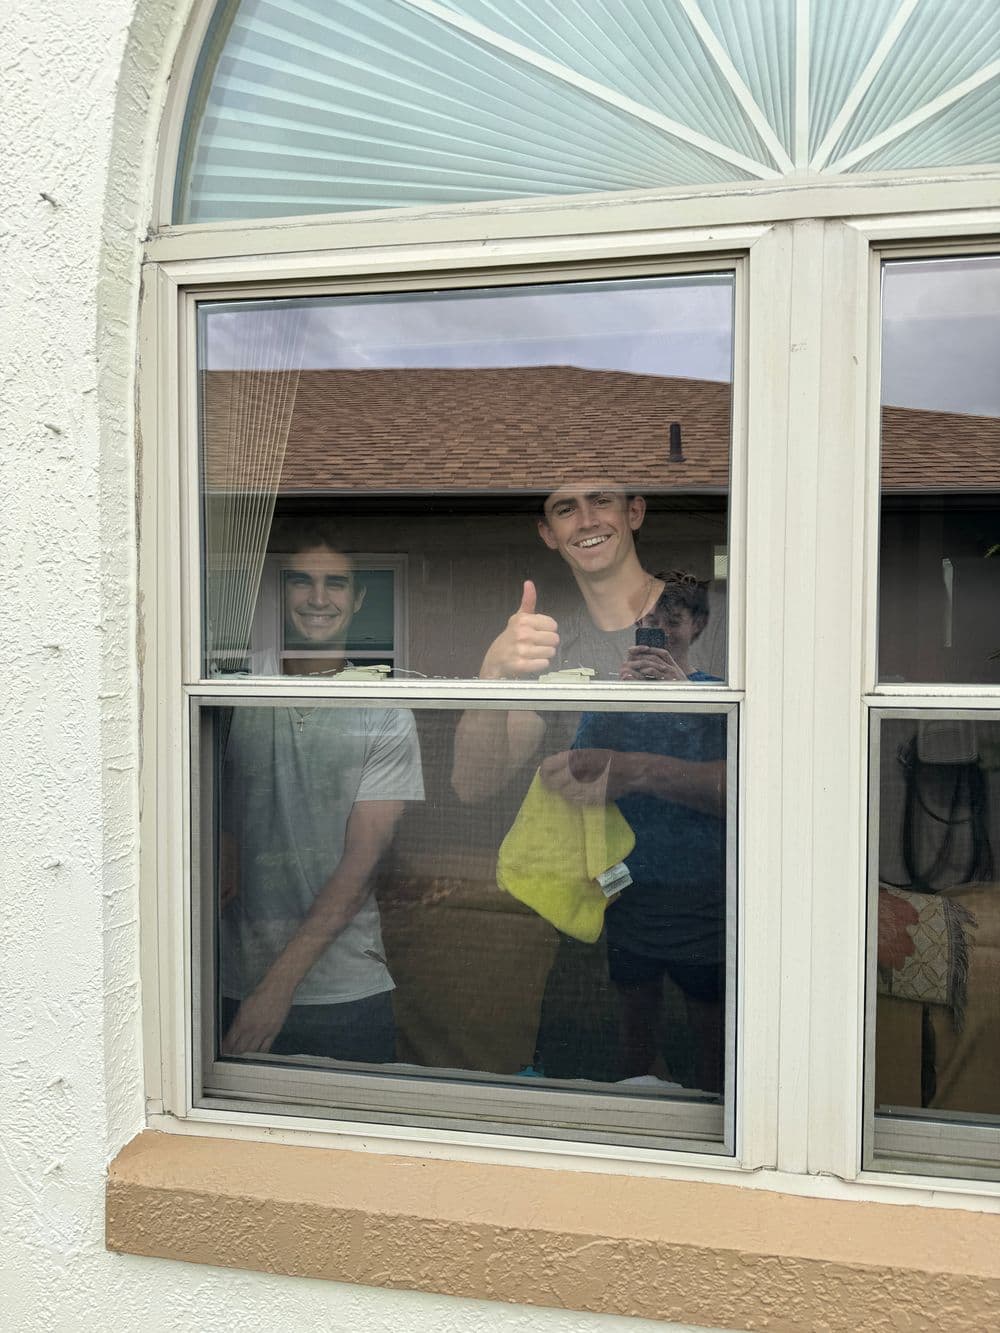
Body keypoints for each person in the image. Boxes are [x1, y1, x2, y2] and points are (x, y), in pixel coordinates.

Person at [452, 482, 726, 1090]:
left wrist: (632, 770)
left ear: (634, 511)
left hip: (721, 920)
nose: (585, 519)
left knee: (718, 1099)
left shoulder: (722, 627)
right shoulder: (548, 644)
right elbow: (475, 783)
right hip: (595, 924)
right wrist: (492, 675)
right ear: (548, 534)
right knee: (598, 1101)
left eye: (601, 499)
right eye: (563, 507)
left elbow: (776, 792)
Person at [219, 524, 423, 1062]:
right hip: (229, 977)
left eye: (335, 584)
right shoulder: (229, 689)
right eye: (301, 581)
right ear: (280, 592)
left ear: (356, 599)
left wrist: (277, 988)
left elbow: (362, 867)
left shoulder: (383, 708)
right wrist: (220, 834)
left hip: (345, 989)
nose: (317, 598)